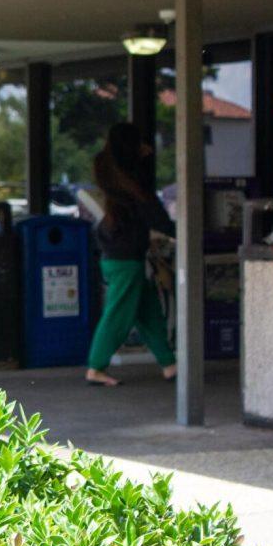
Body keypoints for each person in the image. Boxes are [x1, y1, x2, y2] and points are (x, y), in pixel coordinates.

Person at [85, 123, 177, 387]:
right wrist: (181, 231)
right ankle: (96, 366)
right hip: (127, 260)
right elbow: (156, 215)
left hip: (118, 257)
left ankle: (169, 364)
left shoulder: (112, 178)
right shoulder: (132, 184)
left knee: (148, 312)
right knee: (118, 314)